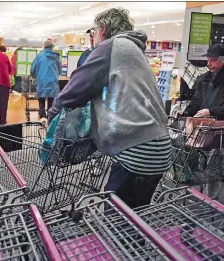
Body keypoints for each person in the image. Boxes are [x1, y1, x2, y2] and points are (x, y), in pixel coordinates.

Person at [48, 7, 172, 208]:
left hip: (137, 150)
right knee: (135, 216)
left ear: (102, 29)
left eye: (93, 31)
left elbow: (75, 89)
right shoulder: (134, 49)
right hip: (158, 147)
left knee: (117, 220)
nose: (93, 36)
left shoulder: (110, 47)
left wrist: (52, 118)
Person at [181, 44, 224, 125]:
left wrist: (211, 112)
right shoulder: (205, 78)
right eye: (208, 60)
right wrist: (185, 115)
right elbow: (197, 100)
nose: (208, 64)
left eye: (212, 60)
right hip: (208, 127)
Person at [30, 39, 61, 125]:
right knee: (51, 99)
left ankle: (42, 116)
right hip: (53, 81)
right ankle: (50, 117)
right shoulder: (56, 57)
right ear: (52, 47)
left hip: (42, 80)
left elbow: (32, 69)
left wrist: (34, 75)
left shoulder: (39, 56)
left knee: (41, 99)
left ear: (44, 46)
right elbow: (59, 70)